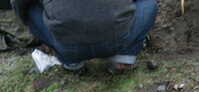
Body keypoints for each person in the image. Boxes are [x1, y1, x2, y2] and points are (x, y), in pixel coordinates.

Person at [11, 0, 158, 72]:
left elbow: (19, 4)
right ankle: (124, 57)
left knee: (28, 9)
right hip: (116, 40)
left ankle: (72, 63)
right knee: (148, 3)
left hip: (68, 48)